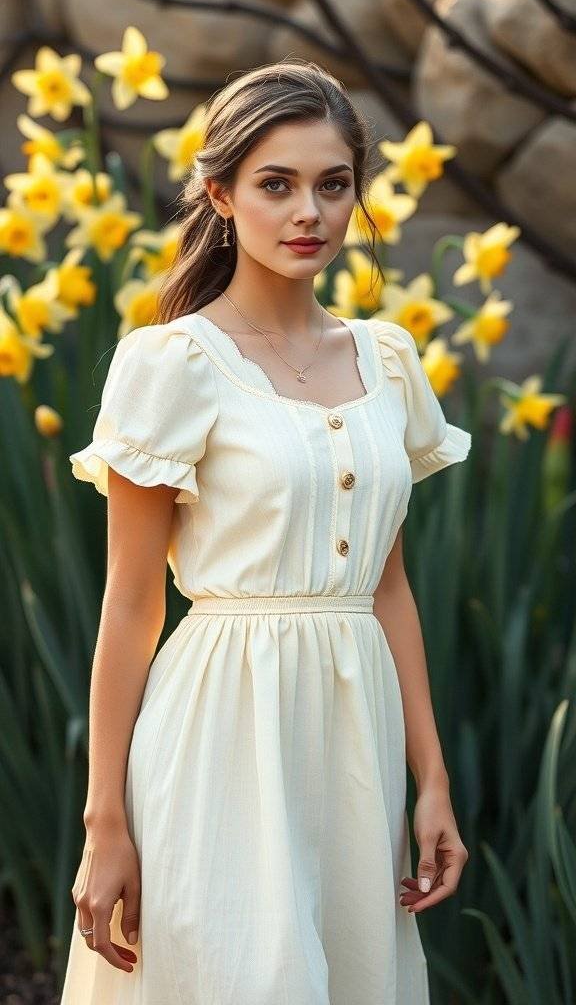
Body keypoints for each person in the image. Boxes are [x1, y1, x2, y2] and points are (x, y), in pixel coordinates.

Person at [60, 60, 471, 1004]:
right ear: (220, 193)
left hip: (352, 749)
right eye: (276, 184)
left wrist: (432, 778)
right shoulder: (170, 365)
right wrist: (105, 823)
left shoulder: (388, 360)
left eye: (333, 185)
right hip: (217, 734)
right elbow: (130, 606)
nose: (310, 214)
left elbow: (387, 586)